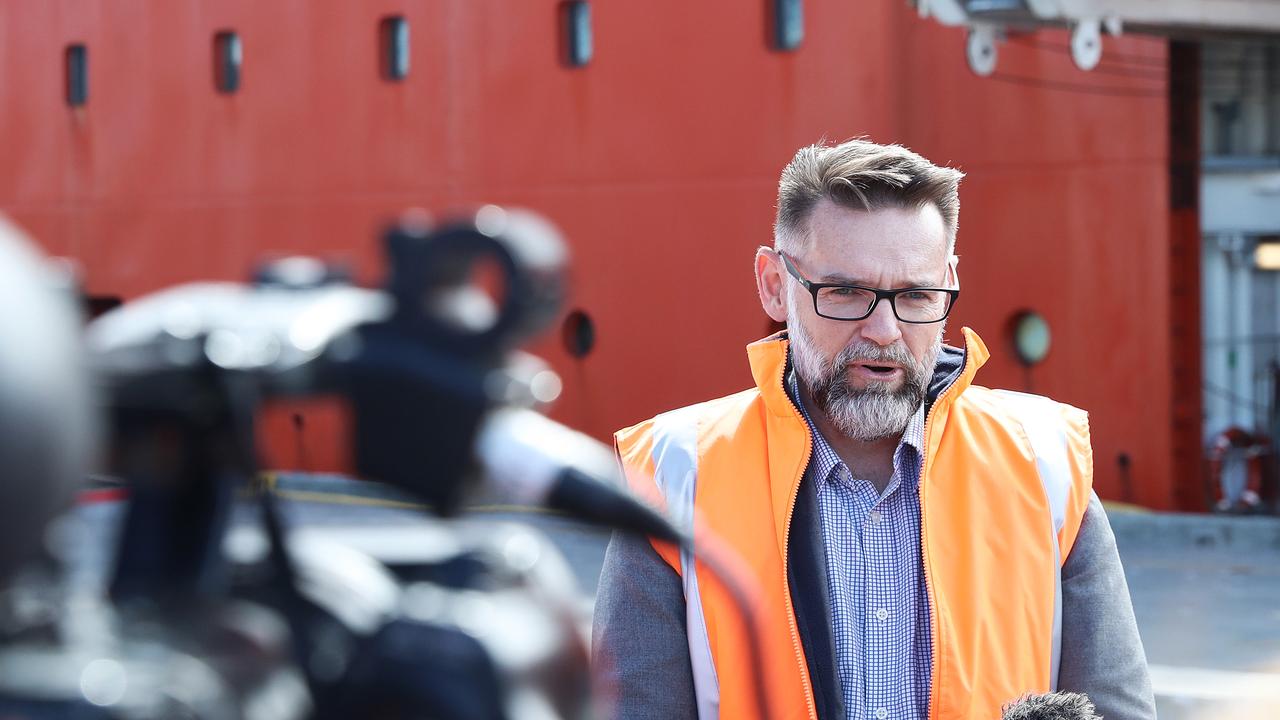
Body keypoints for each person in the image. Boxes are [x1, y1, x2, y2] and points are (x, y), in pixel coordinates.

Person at [591, 139, 1156, 720]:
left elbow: (1116, 710)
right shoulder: (675, 472)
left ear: (949, 281)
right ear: (774, 285)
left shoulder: (1045, 462)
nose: (884, 329)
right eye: (845, 292)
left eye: (915, 295)